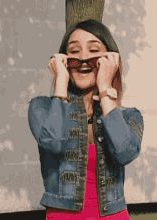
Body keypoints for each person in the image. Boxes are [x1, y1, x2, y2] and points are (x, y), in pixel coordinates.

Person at [28, 19, 144, 220]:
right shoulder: (42, 107)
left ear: (110, 59)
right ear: (63, 60)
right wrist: (61, 84)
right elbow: (54, 143)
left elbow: (124, 153)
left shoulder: (128, 116)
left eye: (93, 50)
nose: (83, 59)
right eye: (73, 52)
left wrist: (106, 93)